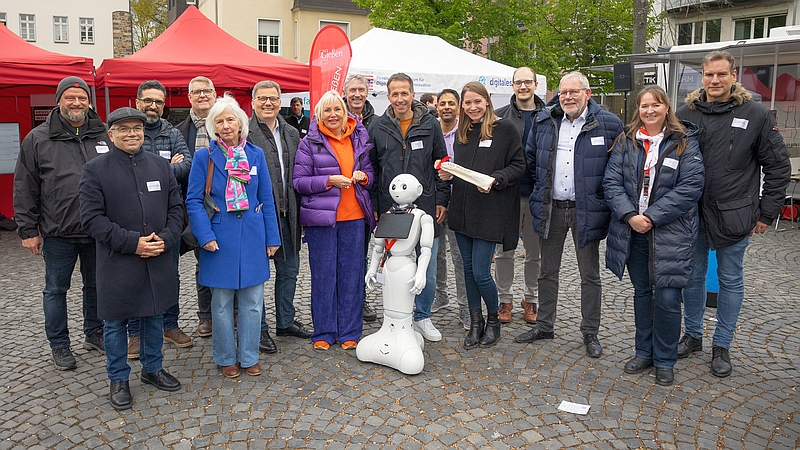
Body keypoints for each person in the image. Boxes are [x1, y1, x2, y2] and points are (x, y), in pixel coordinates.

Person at [676, 50, 792, 378]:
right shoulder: (686, 114)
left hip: (735, 214)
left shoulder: (755, 114)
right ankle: (693, 336)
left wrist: (767, 213)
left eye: (721, 75)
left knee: (730, 280)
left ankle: (722, 344)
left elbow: (778, 167)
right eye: (709, 75)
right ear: (702, 77)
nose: (715, 81)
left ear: (733, 75)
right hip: (691, 216)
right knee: (693, 278)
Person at [79, 107, 184, 410]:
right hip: (118, 261)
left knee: (153, 316)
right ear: (111, 134)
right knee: (115, 324)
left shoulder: (160, 166)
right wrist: (132, 243)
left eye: (136, 128)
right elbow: (92, 220)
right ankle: (118, 378)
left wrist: (165, 239)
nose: (131, 133)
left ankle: (153, 369)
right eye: (123, 129)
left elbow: (177, 210)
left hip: (157, 257)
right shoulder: (95, 169)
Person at [515, 71, 624, 358]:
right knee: (547, 271)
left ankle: (590, 331)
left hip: (586, 210)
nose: (568, 97)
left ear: (587, 94)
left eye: (574, 92)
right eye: (563, 93)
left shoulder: (609, 124)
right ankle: (545, 324)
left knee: (589, 274)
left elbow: (619, 168)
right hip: (551, 207)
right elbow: (530, 161)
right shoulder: (544, 121)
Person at [603, 86, 705, 386]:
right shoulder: (626, 140)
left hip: (671, 232)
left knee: (669, 297)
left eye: (656, 105)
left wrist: (652, 216)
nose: (650, 111)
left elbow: (690, 187)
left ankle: (665, 359)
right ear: (638, 109)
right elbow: (611, 182)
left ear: (666, 108)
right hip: (632, 230)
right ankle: (643, 352)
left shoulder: (684, 142)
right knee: (642, 293)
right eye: (645, 106)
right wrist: (630, 215)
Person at [186, 93, 281, 378]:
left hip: (253, 237)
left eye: (230, 119)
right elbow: (193, 200)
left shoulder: (255, 154)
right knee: (222, 303)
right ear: (213, 127)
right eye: (219, 121)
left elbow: (266, 196)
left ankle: (249, 355)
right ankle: (226, 356)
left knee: (253, 303)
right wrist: (204, 236)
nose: (226, 126)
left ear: (240, 123)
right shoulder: (204, 156)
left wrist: (272, 238)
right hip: (219, 238)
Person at [13, 76, 105, 371]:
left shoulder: (103, 133)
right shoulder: (38, 138)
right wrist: (28, 230)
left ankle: (94, 333)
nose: (77, 103)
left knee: (96, 285)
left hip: (96, 229)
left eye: (82, 97)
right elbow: (24, 186)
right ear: (59, 101)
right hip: (57, 231)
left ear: (89, 101)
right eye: (70, 98)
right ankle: (60, 344)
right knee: (56, 289)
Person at [438, 82, 525, 349]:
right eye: (468, 103)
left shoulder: (505, 129)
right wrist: (447, 173)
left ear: (486, 101)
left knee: (480, 272)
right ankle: (475, 324)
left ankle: (493, 321)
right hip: (463, 211)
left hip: (489, 212)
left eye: (477, 101)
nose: (473, 107)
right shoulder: (464, 132)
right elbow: (464, 170)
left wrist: (496, 179)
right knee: (466, 271)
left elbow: (519, 166)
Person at [368, 72, 449, 342]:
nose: (400, 99)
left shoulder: (430, 123)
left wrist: (441, 199)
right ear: (388, 96)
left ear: (413, 94)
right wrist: (378, 205)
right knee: (395, 262)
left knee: (428, 260)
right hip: (391, 208)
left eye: (405, 93)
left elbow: (442, 164)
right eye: (395, 94)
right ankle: (397, 315)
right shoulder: (378, 126)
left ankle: (423, 316)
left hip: (425, 204)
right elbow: (374, 168)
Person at [293, 90, 375, 350]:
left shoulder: (359, 137)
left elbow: (371, 175)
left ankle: (350, 331)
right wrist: (329, 181)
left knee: (352, 276)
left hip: (355, 217)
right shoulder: (309, 143)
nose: (332, 115)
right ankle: (324, 332)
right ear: (318, 115)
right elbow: (300, 182)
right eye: (326, 111)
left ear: (345, 112)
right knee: (323, 276)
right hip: (322, 220)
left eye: (336, 109)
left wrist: (364, 177)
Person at [127, 79, 194, 358]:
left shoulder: (172, 132)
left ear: (163, 105)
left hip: (168, 215)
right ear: (137, 101)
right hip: (132, 215)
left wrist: (153, 170)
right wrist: (166, 167)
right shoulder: (129, 130)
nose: (152, 106)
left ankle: (170, 324)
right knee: (133, 275)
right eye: (148, 100)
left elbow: (187, 165)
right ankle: (134, 333)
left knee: (170, 274)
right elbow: (125, 170)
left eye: (158, 102)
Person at [248, 81, 312, 355]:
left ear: (280, 102)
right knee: (258, 276)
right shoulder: (245, 133)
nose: (268, 103)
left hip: (289, 214)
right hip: (259, 217)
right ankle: (258, 328)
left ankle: (285, 321)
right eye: (262, 98)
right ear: (252, 102)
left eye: (273, 98)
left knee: (289, 271)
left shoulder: (290, 131)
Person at [494, 67, 546, 324]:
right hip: (508, 196)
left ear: (536, 85)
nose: (523, 86)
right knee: (505, 252)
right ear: (512, 86)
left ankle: (531, 299)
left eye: (528, 82)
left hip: (537, 195)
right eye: (518, 82)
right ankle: (504, 299)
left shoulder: (549, 116)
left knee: (535, 253)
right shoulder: (500, 117)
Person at [176, 76, 217, 338]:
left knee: (223, 259)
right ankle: (206, 316)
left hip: (226, 205)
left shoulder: (228, 123)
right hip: (191, 206)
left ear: (215, 94)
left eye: (207, 91)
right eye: (196, 92)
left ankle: (232, 312)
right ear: (189, 97)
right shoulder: (178, 131)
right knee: (203, 263)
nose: (202, 95)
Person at [430, 88, 470, 330]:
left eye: (451, 103)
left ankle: (465, 306)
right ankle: (440, 294)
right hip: (434, 201)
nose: (446, 107)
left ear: (458, 107)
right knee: (435, 254)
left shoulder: (465, 133)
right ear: (437, 106)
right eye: (442, 103)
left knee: (459, 256)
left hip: (459, 201)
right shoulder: (431, 130)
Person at [344, 74, 379, 322]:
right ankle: (342, 301)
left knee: (361, 254)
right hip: (340, 198)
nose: (357, 94)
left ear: (367, 93)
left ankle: (360, 299)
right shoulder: (334, 116)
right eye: (352, 90)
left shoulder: (376, 122)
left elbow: (376, 164)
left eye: (361, 90)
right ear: (345, 93)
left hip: (365, 198)